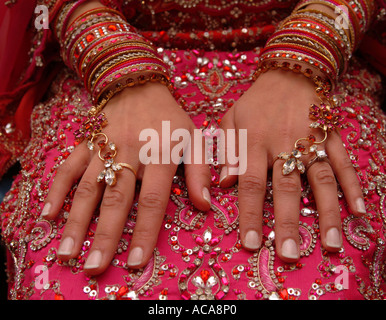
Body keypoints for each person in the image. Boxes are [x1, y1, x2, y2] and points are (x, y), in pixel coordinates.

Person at [0, 0, 385, 300]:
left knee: (338, 276)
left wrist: (307, 51)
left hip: (309, 68)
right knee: (60, 278)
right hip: (108, 68)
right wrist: (115, 63)